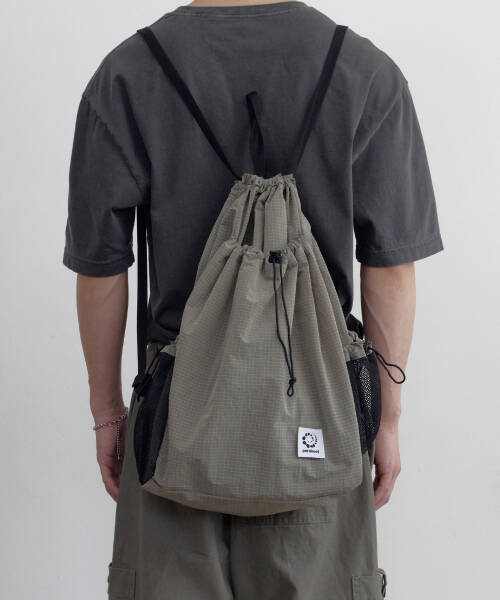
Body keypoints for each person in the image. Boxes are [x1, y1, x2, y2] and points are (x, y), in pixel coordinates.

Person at [63, 1, 443, 598]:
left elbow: (101, 270)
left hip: (175, 416)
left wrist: (108, 412)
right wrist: (386, 420)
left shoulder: (128, 74)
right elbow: (391, 267)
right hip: (320, 410)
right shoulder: (366, 72)